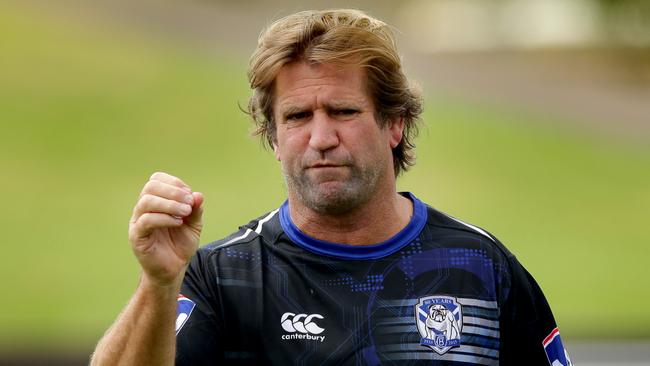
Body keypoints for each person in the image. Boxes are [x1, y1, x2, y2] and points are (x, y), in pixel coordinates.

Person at [90, 9, 572, 366]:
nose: (321, 138)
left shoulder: (481, 267)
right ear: (274, 138)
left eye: (343, 111)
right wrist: (156, 285)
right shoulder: (224, 277)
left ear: (395, 124)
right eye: (298, 116)